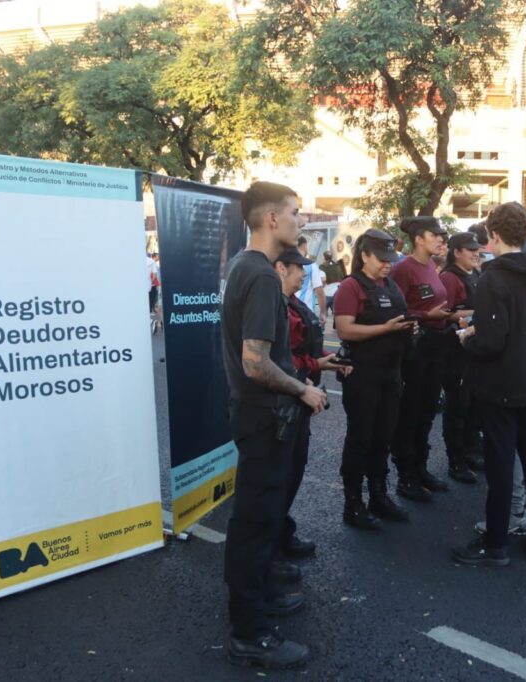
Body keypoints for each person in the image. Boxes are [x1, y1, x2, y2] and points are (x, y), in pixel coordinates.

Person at [220, 181, 326, 670]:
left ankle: (259, 597)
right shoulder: (261, 276)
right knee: (254, 523)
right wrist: (303, 389)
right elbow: (255, 363)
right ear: (271, 219)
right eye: (295, 213)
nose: (300, 221)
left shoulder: (244, 266)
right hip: (266, 418)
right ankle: (249, 632)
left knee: (257, 521)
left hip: (259, 416)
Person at [451, 202, 526, 566]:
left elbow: (493, 339)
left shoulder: (494, 278)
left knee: (500, 466)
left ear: (494, 235)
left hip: (500, 384)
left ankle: (496, 544)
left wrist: (468, 339)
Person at [333, 230, 416, 530]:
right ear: (364, 255)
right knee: (361, 438)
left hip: (390, 372)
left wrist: (407, 329)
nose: (387, 265)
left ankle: (379, 496)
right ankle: (353, 503)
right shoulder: (350, 287)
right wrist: (386, 329)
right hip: (363, 375)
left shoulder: (390, 284)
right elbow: (344, 330)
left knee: (383, 436)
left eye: (391, 259)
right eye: (382, 259)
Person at [275, 246, 351, 563]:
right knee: (279, 476)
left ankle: (281, 533)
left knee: (293, 470)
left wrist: (323, 364)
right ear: (281, 268)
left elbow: (299, 356)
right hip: (282, 403)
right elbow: (278, 359)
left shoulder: (291, 302)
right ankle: (271, 551)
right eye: (297, 268)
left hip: (298, 397)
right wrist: (307, 374)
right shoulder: (274, 306)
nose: (303, 274)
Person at [389, 216, 458, 502]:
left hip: (437, 345)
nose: (442, 239)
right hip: (416, 347)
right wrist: (425, 316)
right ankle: (406, 475)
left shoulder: (431, 264)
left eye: (443, 235)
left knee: (428, 409)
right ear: (419, 238)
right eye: (436, 235)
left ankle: (420, 467)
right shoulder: (403, 268)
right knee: (411, 411)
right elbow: (396, 311)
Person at [439, 232, 482, 483]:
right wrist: (479, 312)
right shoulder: (449, 278)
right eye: (470, 249)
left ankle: (472, 450)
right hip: (455, 351)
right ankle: (456, 460)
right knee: (457, 406)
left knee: (473, 405)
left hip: (473, 350)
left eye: (477, 248)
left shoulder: (474, 274)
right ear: (456, 252)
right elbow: (443, 313)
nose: (476, 253)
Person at [295, 236, 327, 326]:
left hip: (288, 312)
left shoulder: (284, 264)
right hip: (306, 313)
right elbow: (319, 292)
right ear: (305, 246)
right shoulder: (311, 265)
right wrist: (323, 313)